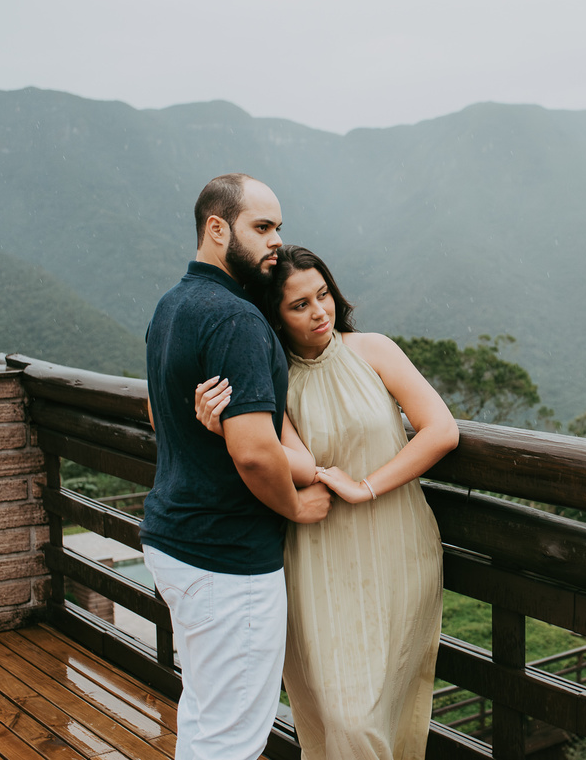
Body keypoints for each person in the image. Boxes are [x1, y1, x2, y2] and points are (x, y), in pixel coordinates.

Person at [196, 245, 459, 759]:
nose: (319, 312)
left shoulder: (374, 350)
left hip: (397, 545)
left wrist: (367, 485)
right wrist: (227, 427)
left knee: (380, 709)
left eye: (323, 296)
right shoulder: (272, 380)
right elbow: (286, 457)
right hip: (316, 553)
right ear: (275, 316)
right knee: (341, 714)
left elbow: (442, 430)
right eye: (299, 305)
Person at [142, 175, 333, 760]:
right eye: (262, 227)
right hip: (227, 560)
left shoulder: (173, 305)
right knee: (231, 739)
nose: (276, 240)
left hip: (174, 540)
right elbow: (253, 451)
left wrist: (219, 424)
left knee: (204, 716)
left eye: (278, 227)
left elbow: (156, 413)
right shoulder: (235, 321)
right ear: (217, 228)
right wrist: (296, 504)